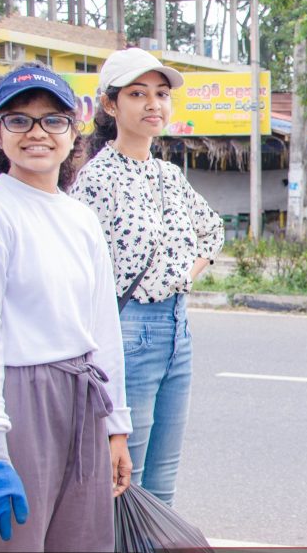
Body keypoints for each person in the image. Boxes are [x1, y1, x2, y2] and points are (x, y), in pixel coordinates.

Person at [0, 63, 131, 553]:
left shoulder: (79, 217)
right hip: (17, 406)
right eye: (20, 119)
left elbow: (102, 326)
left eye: (53, 120)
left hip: (83, 398)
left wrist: (116, 428)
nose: (37, 132)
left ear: (73, 133)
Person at [71, 48, 224, 506]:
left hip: (177, 328)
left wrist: (182, 276)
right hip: (127, 328)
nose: (153, 104)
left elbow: (211, 231)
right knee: (122, 481)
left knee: (163, 483)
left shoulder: (169, 174)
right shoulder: (96, 179)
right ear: (110, 104)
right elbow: (79, 268)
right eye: (137, 94)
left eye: (161, 93)